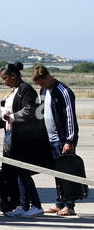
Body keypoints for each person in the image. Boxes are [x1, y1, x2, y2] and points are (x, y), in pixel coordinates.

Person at [0, 62, 50, 217]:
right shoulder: (16, 90)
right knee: (17, 172)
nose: (4, 82)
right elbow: (10, 113)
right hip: (13, 135)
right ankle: (23, 206)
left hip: (24, 138)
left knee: (23, 172)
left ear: (13, 75)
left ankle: (36, 205)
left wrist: (11, 117)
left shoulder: (26, 89)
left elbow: (29, 110)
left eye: (5, 78)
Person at [32, 64, 80, 216]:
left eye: (43, 83)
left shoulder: (64, 92)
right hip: (49, 139)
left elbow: (70, 116)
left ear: (48, 77)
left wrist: (70, 140)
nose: (42, 86)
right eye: (40, 85)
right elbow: (41, 111)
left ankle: (69, 205)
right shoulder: (43, 91)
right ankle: (60, 203)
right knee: (57, 173)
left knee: (67, 172)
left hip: (62, 140)